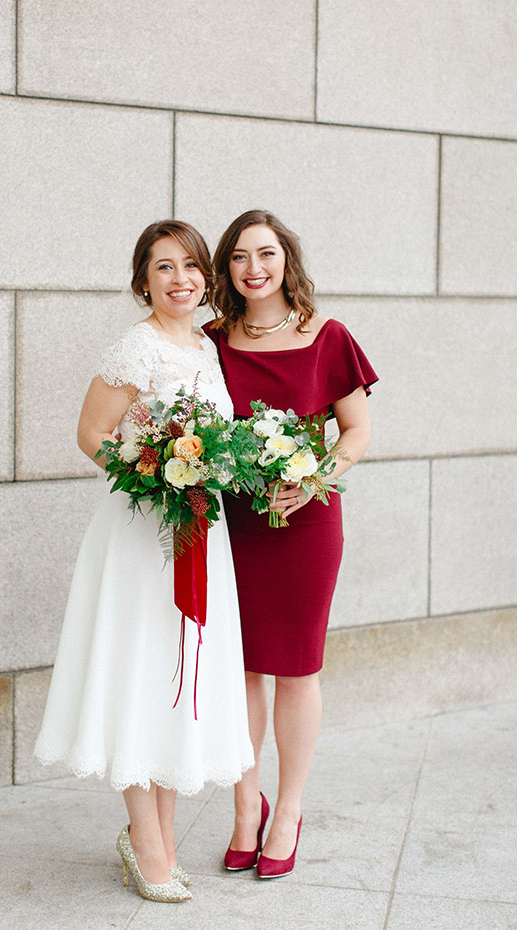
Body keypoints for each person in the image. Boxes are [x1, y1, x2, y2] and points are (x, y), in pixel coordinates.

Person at [35, 220, 254, 903]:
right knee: (140, 668)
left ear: (205, 278)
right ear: (144, 280)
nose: (180, 279)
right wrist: (148, 474)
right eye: (164, 268)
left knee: (176, 671)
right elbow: (91, 434)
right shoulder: (136, 348)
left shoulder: (208, 350)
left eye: (190, 266)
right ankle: (148, 840)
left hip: (198, 534)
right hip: (141, 534)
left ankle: (153, 832)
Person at [204, 209, 378, 879]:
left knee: (297, 668)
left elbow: (356, 432)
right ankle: (246, 805)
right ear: (228, 269)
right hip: (235, 524)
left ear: (287, 261)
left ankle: (289, 810)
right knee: (241, 667)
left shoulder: (327, 336)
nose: (254, 268)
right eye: (241, 257)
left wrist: (313, 482)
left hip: (306, 524)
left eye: (267, 254)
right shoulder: (213, 342)